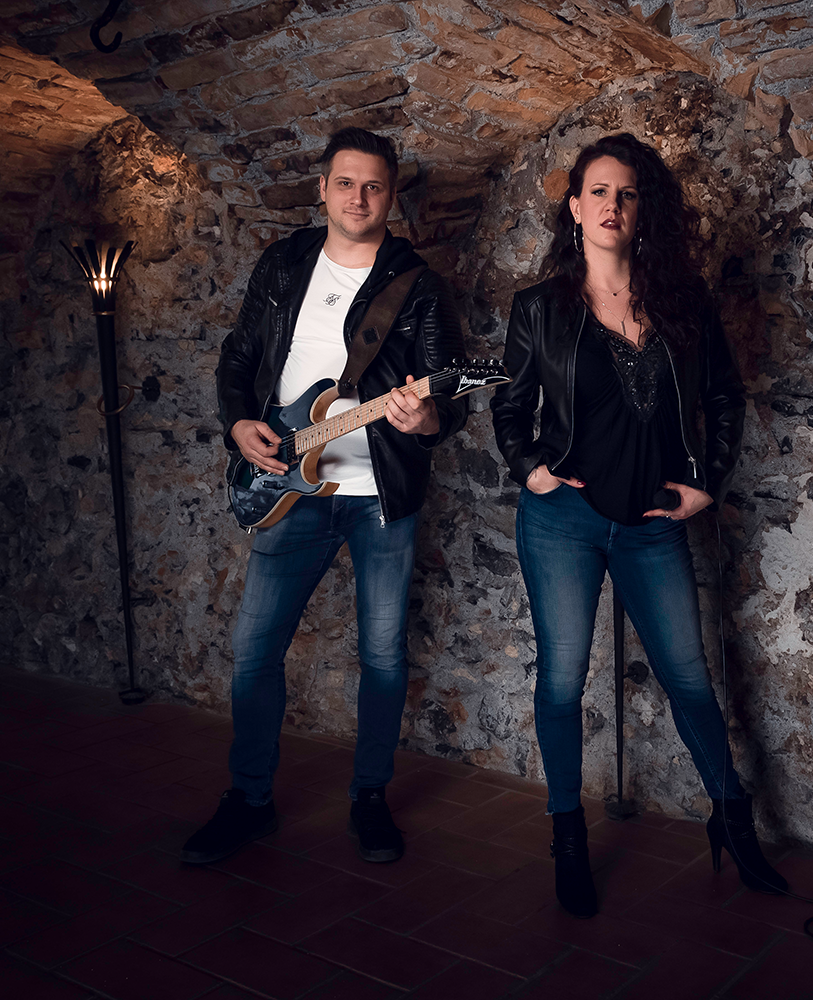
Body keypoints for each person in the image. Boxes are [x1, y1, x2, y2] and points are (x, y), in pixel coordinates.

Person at [490, 133, 787, 917]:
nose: (611, 205)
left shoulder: (683, 304)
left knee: (688, 677)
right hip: (562, 520)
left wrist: (706, 483)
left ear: (642, 209)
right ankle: (567, 836)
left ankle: (732, 819)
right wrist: (531, 469)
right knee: (561, 681)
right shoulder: (539, 309)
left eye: (626, 193)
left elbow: (723, 398)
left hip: (654, 520)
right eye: (598, 191)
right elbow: (510, 408)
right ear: (574, 207)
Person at [181, 127, 467, 866]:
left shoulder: (418, 286)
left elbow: (450, 401)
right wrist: (237, 422)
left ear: (391, 196)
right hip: (287, 485)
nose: (358, 198)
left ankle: (370, 797)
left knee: (383, 656)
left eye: (373, 186)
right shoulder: (283, 263)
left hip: (379, 496)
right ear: (323, 188)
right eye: (345, 183)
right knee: (254, 650)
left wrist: (427, 418)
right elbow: (240, 355)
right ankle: (250, 799)